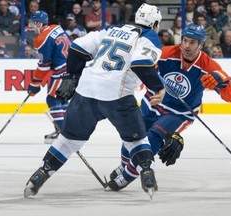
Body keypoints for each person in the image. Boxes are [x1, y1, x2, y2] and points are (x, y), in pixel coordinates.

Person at [23, 3, 165, 198]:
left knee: (68, 140)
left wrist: (73, 74)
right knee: (136, 140)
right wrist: (159, 87)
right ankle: (147, 173)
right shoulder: (149, 37)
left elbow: (77, 47)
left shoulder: (113, 29)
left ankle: (40, 174)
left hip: (86, 90)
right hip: (117, 95)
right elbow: (141, 63)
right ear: (155, 23)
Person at [108, 23, 231, 191]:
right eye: (184, 40)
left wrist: (222, 80)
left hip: (179, 113)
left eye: (192, 42)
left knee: (154, 136)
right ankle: (125, 165)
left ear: (201, 45)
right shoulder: (167, 53)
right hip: (152, 101)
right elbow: (142, 66)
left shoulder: (208, 66)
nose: (186, 46)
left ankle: (126, 176)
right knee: (133, 135)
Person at [26, 10, 72, 144]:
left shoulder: (41, 39)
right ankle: (65, 130)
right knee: (62, 100)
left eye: (33, 24)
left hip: (61, 71)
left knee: (53, 100)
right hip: (71, 69)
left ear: (39, 23)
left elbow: (43, 66)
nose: (32, 27)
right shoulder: (56, 28)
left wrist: (34, 84)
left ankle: (64, 135)